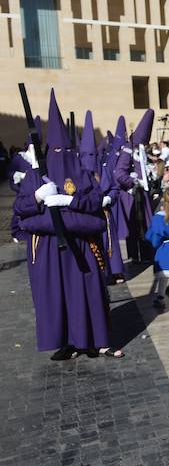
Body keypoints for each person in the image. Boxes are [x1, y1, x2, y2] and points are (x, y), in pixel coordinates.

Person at [14, 91, 112, 361]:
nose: (62, 155)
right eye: (57, 151)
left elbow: (95, 208)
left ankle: (90, 339)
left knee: (85, 292)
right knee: (56, 296)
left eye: (66, 150)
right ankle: (67, 341)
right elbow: (21, 214)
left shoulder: (82, 173)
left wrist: (68, 200)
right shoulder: (36, 176)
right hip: (48, 250)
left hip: (81, 246)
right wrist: (37, 197)